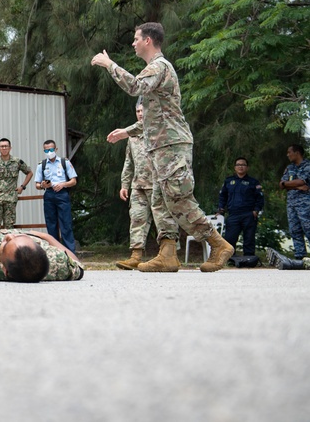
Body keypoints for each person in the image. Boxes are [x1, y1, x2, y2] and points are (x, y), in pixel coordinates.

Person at [92, 21, 234, 272]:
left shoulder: (159, 66)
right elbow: (153, 119)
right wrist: (128, 131)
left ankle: (218, 243)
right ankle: (167, 254)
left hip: (172, 145)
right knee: (160, 201)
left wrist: (109, 65)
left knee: (178, 199)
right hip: (160, 147)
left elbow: (135, 86)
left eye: (136, 39)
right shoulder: (155, 69)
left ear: (148, 40)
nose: (133, 43)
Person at [116, 103, 171, 270]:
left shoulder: (159, 130)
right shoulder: (132, 137)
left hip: (158, 184)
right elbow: (129, 162)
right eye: (138, 111)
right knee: (137, 218)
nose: (140, 114)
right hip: (138, 185)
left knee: (163, 220)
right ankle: (135, 256)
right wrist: (124, 184)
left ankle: (168, 255)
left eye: (143, 110)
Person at [33, 139, 78, 253]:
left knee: (66, 224)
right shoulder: (41, 165)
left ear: (56, 149)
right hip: (49, 195)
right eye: (47, 150)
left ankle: (70, 253)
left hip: (62, 194)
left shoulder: (64, 162)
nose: (49, 152)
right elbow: (37, 185)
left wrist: (63, 184)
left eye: (51, 149)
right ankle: (55, 252)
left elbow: (73, 181)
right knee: (51, 225)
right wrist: (43, 185)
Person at [217, 157, 264, 258]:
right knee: (230, 238)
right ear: (235, 167)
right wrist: (221, 208)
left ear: (247, 167)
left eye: (243, 165)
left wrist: (256, 210)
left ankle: (249, 259)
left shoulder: (253, 182)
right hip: (233, 214)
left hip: (248, 214)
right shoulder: (229, 181)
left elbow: (260, 198)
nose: (240, 167)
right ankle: (230, 259)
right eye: (238, 165)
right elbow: (222, 196)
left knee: (249, 238)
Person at [0, 139, 29, 231]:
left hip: (11, 198)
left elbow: (29, 173)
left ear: (10, 148)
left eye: (6, 146)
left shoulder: (17, 161)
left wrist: (22, 186)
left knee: (9, 226)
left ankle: (7, 245)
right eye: (2, 146)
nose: (4, 148)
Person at [280, 144, 310, 259]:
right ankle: (300, 256)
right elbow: (281, 184)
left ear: (297, 152)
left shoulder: (307, 166)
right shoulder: (290, 168)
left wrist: (288, 184)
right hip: (291, 204)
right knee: (294, 230)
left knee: (308, 228)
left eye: (289, 152)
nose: (288, 155)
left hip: (305, 204)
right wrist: (294, 186)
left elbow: (302, 181)